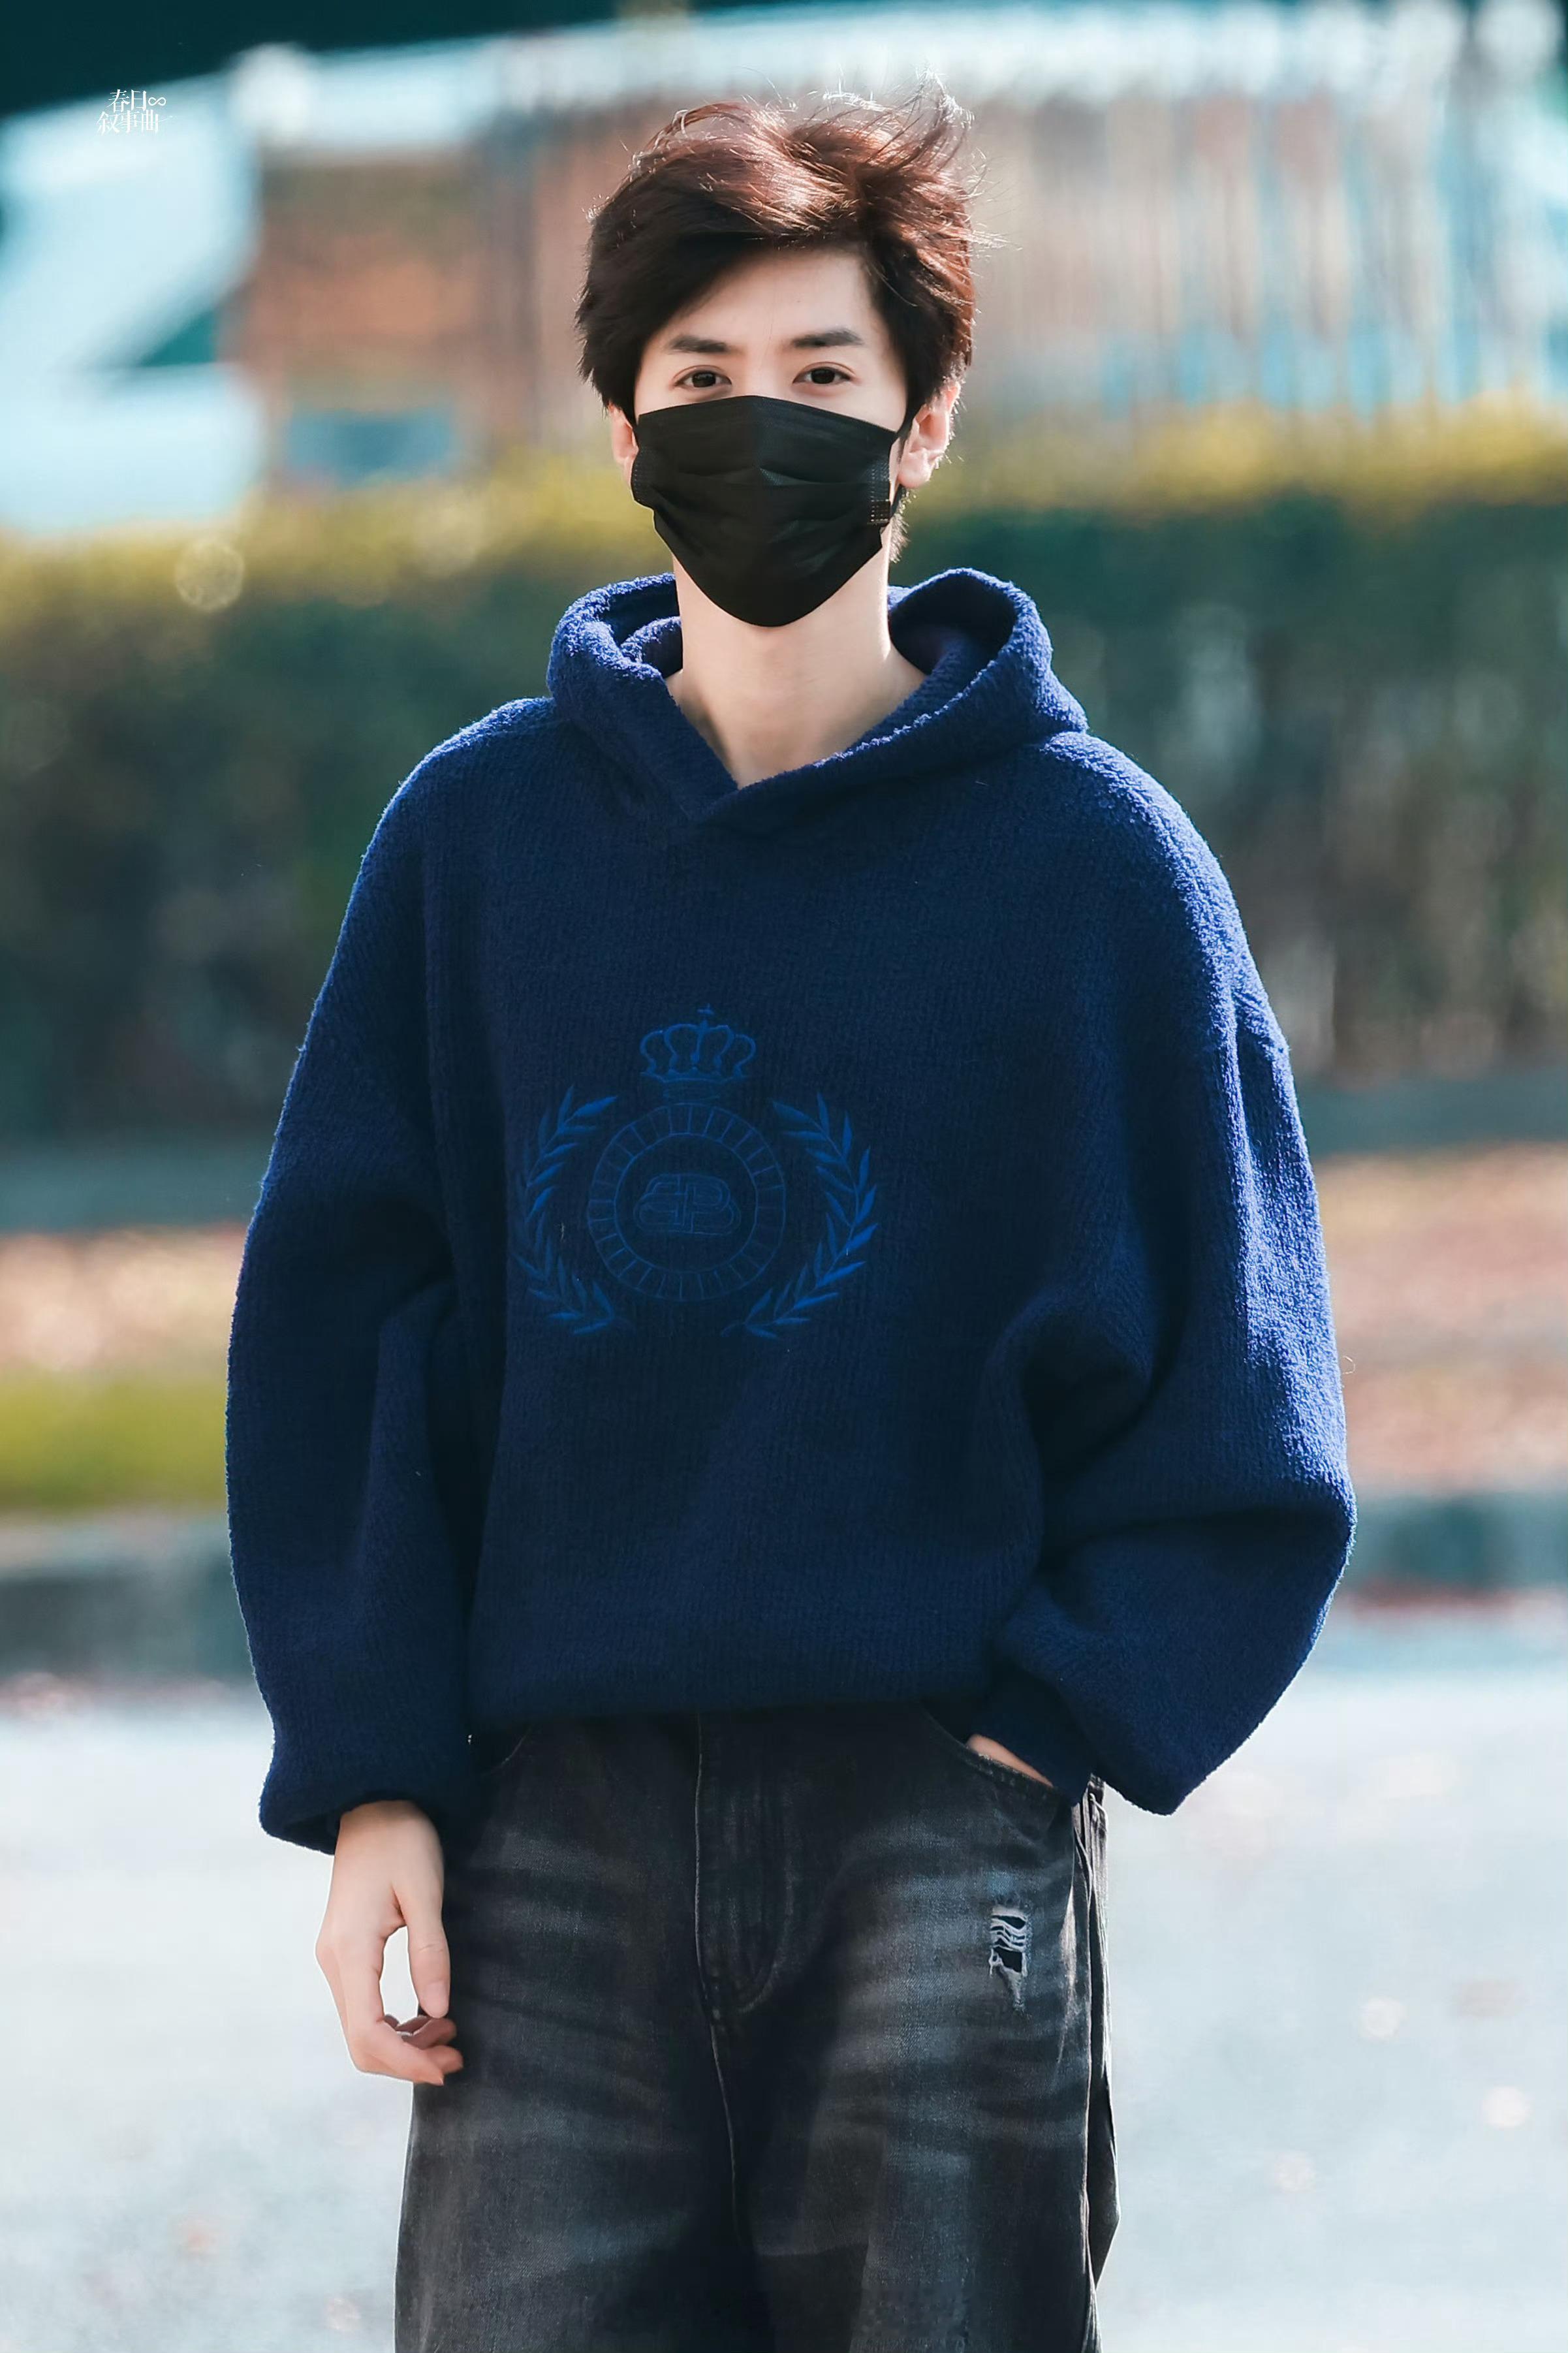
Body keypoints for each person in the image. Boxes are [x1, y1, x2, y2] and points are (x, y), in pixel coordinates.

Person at [225, 84, 1355, 2353]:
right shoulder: (477, 847)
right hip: (552, 1844)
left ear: (923, 419)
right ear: (622, 423)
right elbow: (349, 1335)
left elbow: (1244, 1389)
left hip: (936, 1825)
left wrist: (1037, 1745)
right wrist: (373, 1784)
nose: (762, 425)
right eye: (702, 374)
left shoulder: (1091, 873)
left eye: (824, 374)